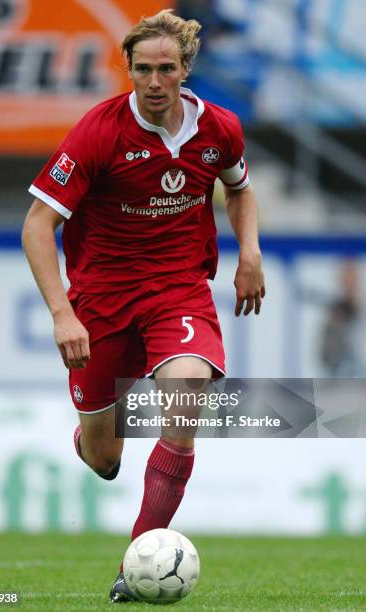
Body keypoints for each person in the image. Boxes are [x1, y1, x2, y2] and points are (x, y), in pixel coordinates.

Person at [22, 9, 265, 603]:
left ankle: (138, 564)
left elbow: (239, 187)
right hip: (100, 299)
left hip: (177, 289)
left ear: (185, 70)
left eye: (166, 69)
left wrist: (250, 253)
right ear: (128, 70)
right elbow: (37, 225)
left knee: (185, 403)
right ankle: (92, 438)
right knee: (106, 459)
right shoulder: (99, 132)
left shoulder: (220, 130)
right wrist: (62, 312)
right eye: (142, 70)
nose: (154, 82)